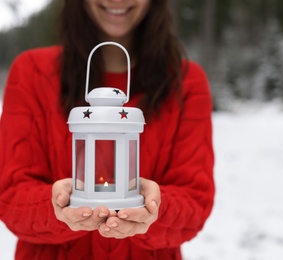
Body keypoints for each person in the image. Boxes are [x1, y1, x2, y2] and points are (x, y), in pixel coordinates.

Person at [0, 0, 215, 259]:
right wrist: (57, 206)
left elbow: (196, 200)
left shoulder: (186, 82)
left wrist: (154, 207)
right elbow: (10, 195)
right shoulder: (32, 72)